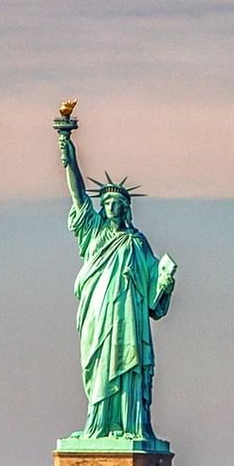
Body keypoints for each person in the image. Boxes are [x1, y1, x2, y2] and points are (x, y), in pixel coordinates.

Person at [57, 127, 176, 441]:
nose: (110, 206)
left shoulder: (137, 242)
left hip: (128, 315)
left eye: (116, 203)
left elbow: (154, 293)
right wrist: (68, 152)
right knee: (99, 366)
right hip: (99, 311)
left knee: (128, 366)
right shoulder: (94, 233)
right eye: (106, 202)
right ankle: (99, 424)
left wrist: (164, 281)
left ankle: (130, 425)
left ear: (126, 208)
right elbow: (78, 193)